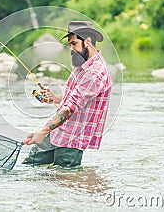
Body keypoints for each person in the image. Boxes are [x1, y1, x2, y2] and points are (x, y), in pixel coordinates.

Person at [22, 21, 112, 167]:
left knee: (64, 180)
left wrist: (43, 131)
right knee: (29, 166)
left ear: (87, 42)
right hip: (57, 130)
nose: (70, 48)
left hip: (72, 139)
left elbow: (71, 107)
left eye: (74, 43)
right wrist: (56, 99)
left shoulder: (95, 72)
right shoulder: (81, 65)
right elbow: (76, 99)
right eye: (69, 44)